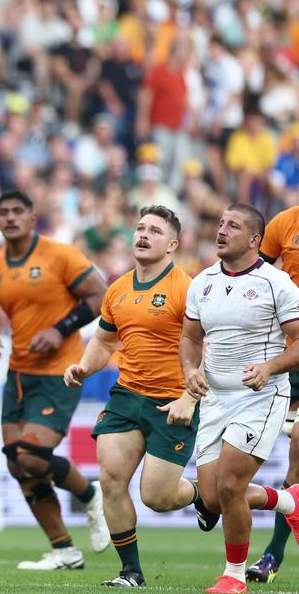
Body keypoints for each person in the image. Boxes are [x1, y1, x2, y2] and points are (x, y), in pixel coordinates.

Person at [0, 190, 110, 570]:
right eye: (3, 213)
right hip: (18, 374)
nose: (10, 218)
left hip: (61, 371)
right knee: (17, 464)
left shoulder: (60, 255)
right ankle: (64, 550)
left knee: (30, 455)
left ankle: (91, 496)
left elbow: (99, 293)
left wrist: (61, 330)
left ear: (32, 217)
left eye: (17, 212)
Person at [64, 205, 200, 586]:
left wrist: (190, 397)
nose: (143, 235)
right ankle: (131, 572)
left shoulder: (186, 289)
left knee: (158, 497)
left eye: (155, 231)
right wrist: (83, 366)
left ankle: (201, 495)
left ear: (172, 244)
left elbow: (207, 348)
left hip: (172, 401)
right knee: (110, 479)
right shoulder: (119, 288)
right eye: (140, 228)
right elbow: (105, 340)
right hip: (126, 395)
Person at [182, 204, 299, 594]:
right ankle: (287, 501)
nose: (221, 230)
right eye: (219, 223)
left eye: (233, 226)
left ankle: (233, 576)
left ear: (254, 239)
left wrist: (271, 367)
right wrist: (191, 370)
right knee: (214, 498)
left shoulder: (277, 283)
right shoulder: (202, 282)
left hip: (260, 396)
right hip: (215, 398)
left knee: (231, 484)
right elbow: (190, 338)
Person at [249, 204, 299, 583]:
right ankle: (273, 555)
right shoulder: (285, 222)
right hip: (291, 351)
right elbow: (257, 276)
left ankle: (272, 553)